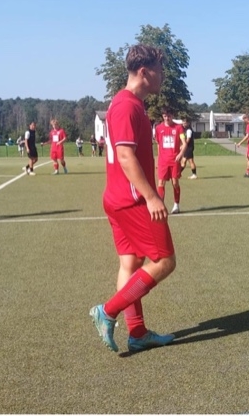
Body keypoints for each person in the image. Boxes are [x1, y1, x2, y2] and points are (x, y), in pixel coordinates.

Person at [89, 44, 176, 354]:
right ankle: (108, 311)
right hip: (132, 200)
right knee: (164, 261)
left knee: (130, 262)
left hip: (115, 198)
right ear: (144, 72)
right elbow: (125, 156)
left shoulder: (125, 103)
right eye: (159, 71)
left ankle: (137, 333)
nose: (162, 76)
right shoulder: (127, 105)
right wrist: (151, 196)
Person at [154, 109, 187, 214]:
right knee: (161, 183)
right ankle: (161, 206)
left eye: (168, 116)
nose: (167, 118)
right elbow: (158, 144)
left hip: (174, 160)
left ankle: (176, 205)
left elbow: (184, 143)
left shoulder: (178, 128)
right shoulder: (158, 128)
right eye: (165, 116)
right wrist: (158, 159)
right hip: (163, 161)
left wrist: (180, 154)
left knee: (175, 182)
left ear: (172, 116)